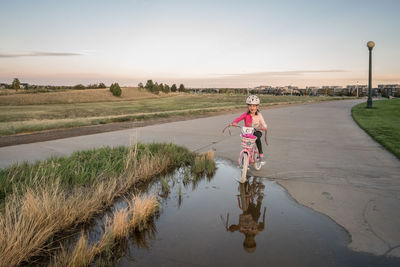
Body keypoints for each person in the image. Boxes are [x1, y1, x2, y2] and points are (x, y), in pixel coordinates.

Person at [230, 95, 268, 162]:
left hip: (257, 131)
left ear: (257, 107)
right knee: (246, 142)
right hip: (248, 132)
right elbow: (239, 118)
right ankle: (248, 156)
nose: (252, 107)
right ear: (248, 106)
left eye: (254, 106)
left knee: (257, 138)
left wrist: (264, 127)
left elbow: (263, 122)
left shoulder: (259, 115)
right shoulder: (246, 114)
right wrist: (234, 122)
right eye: (250, 105)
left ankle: (261, 153)